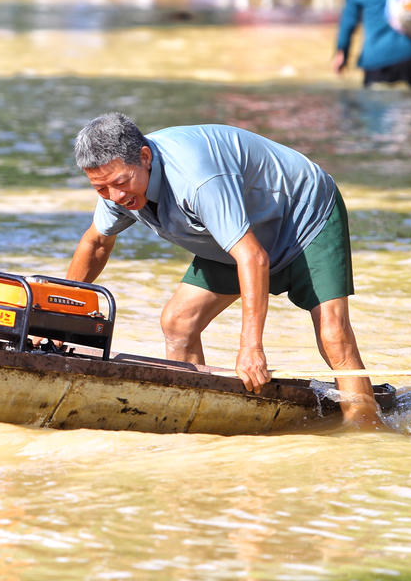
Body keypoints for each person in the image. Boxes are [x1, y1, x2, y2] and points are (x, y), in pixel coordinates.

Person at [66, 112, 384, 428]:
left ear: (145, 157)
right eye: (102, 189)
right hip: (239, 233)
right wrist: (57, 311)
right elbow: (96, 244)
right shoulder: (115, 188)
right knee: (178, 324)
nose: (116, 197)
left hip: (302, 216)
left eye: (121, 183)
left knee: (334, 335)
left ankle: (366, 430)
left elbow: (253, 257)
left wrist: (251, 349)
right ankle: (188, 423)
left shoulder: (197, 178)